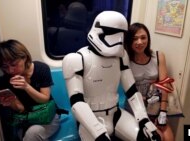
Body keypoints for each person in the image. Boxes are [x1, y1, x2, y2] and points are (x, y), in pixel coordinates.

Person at [62, 11, 161, 141]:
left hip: (116, 113)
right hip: (90, 118)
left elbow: (131, 91)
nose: (117, 38)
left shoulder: (121, 57)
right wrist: (98, 132)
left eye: (121, 33)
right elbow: (76, 102)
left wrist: (144, 120)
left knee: (150, 138)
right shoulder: (76, 59)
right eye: (111, 32)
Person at [0, 39, 60, 141]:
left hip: (48, 116)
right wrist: (11, 102)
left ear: (24, 57)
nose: (10, 70)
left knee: (32, 134)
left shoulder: (41, 68)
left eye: (13, 64)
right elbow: (21, 109)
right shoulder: (5, 80)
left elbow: (45, 99)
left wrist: (26, 87)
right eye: (5, 67)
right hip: (27, 118)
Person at [124, 23, 175, 141]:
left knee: (169, 138)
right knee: (157, 137)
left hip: (155, 105)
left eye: (143, 37)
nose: (140, 42)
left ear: (148, 38)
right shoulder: (125, 59)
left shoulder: (158, 56)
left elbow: (164, 84)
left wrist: (163, 112)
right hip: (135, 106)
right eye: (134, 39)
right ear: (129, 41)